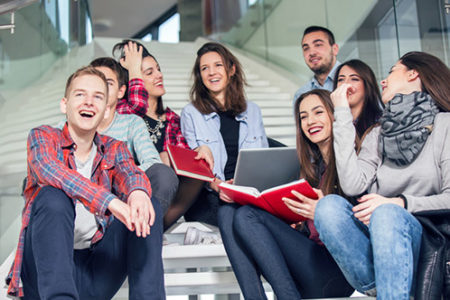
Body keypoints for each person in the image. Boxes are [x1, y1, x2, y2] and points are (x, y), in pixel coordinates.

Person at [5, 66, 165, 299]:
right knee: (53, 196)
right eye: (80, 94)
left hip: (95, 271)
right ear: (64, 104)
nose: (89, 102)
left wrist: (138, 192)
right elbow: (50, 169)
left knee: (147, 205)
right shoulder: (43, 136)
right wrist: (109, 201)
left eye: (98, 97)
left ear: (105, 110)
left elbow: (130, 172)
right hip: (46, 272)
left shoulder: (114, 147)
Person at [314, 51, 450, 299]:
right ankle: (388, 284)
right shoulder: (378, 134)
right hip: (380, 246)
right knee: (328, 206)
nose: (383, 80)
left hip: (428, 240)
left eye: (391, 71)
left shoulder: (445, 125)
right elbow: (352, 184)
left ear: (413, 74)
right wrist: (342, 112)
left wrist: (399, 204)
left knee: (387, 213)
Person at [112, 40, 205, 229]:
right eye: (149, 72)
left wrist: (188, 155)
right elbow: (135, 109)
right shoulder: (122, 111)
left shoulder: (172, 119)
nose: (159, 75)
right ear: (134, 79)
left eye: (158, 69)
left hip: (166, 199)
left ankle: (156, 226)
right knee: (159, 170)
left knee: (195, 172)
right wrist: (133, 71)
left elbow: (184, 164)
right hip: (131, 191)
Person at [180, 42, 268, 227]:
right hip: (211, 194)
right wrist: (217, 185)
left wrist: (245, 187)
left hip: (248, 191)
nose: (212, 72)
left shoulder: (253, 111)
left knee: (253, 215)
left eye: (218, 65)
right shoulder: (191, 113)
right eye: (205, 68)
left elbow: (263, 158)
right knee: (236, 216)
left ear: (231, 69)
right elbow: (193, 167)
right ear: (200, 76)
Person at [90, 57, 178, 215]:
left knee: (163, 174)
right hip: (86, 197)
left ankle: (144, 229)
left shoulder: (132, 123)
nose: (101, 89)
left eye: (108, 83)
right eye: (96, 82)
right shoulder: (68, 124)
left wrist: (119, 176)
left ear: (121, 91)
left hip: (123, 197)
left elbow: (152, 160)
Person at [333, 59, 383, 145]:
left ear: (367, 85)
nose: (346, 84)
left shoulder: (380, 123)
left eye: (354, 79)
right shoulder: (332, 123)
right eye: (341, 80)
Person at [293, 26, 340, 102]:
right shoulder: (301, 94)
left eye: (318, 45)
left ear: (334, 49)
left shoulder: (355, 80)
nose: (311, 53)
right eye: (306, 48)